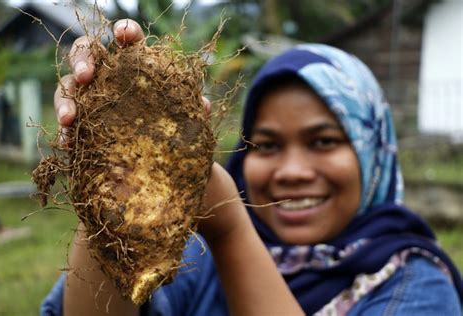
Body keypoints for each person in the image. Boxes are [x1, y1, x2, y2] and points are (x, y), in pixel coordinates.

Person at [41, 19, 462, 315]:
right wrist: (108, 182)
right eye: (266, 144)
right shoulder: (192, 254)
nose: (292, 171)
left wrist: (231, 229)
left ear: (372, 152)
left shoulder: (416, 286)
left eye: (324, 141)